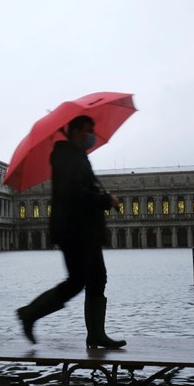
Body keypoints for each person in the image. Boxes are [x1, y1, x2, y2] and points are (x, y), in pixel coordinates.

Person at [15, 114, 127, 349]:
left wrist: (104, 198)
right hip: (75, 230)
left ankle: (96, 334)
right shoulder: (65, 157)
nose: (91, 136)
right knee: (78, 281)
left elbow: (82, 190)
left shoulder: (75, 156)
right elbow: (74, 195)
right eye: (87, 130)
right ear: (75, 131)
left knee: (97, 279)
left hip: (84, 229)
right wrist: (106, 199)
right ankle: (30, 313)